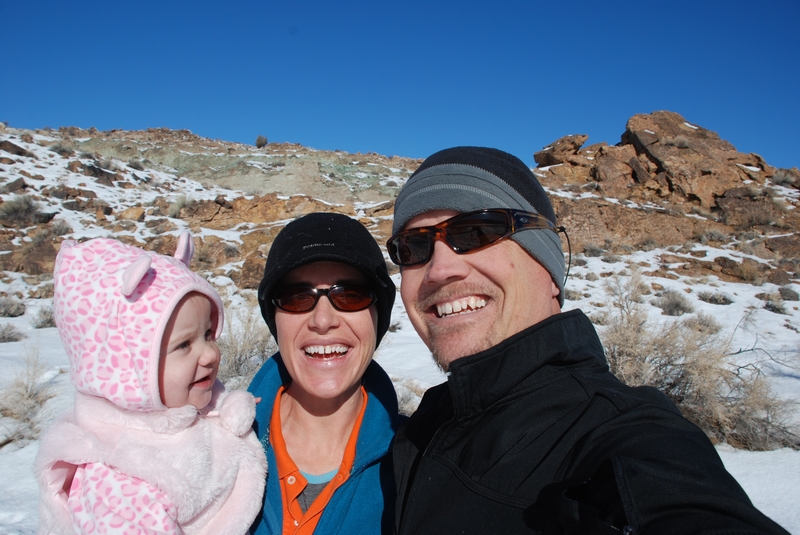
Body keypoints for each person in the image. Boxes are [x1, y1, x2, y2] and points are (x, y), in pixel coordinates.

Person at [386, 146, 789, 535]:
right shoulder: (428, 423)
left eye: (477, 231)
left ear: (548, 268)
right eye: (414, 246)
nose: (439, 269)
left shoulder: (623, 439)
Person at [35, 232, 266, 535]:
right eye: (184, 345)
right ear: (125, 366)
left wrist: (230, 406)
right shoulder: (119, 482)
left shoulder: (187, 402)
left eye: (208, 334)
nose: (210, 353)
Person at [249, 212, 399, 534]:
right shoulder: (207, 448)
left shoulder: (419, 464)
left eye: (350, 295)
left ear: (378, 315)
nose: (322, 321)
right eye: (297, 297)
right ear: (274, 319)